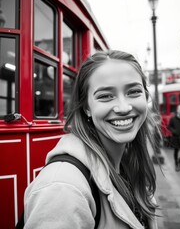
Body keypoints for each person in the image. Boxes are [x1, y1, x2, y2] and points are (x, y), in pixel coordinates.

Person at [24, 50, 160, 229]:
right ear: (86, 107)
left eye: (133, 91)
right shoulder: (62, 188)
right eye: (105, 96)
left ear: (146, 96)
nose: (124, 107)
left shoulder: (127, 163)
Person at [168, 104, 180, 171]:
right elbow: (169, 127)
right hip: (175, 137)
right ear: (177, 110)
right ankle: (176, 164)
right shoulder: (173, 119)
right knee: (176, 151)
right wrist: (174, 131)